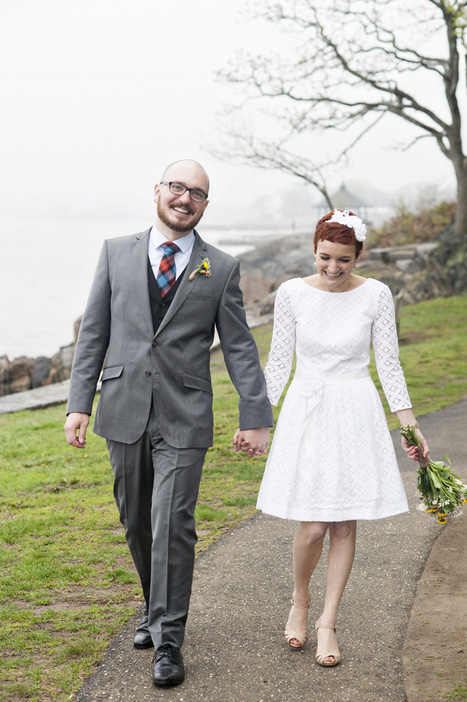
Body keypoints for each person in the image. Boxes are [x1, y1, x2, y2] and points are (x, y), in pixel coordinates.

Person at [64, 159, 272, 687]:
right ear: (157, 191)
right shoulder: (116, 252)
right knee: (137, 521)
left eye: (197, 193)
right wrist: (78, 403)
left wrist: (255, 415)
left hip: (185, 415)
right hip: (123, 408)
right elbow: (94, 332)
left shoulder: (219, 268)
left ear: (205, 205)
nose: (185, 198)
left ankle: (168, 640)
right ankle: (153, 608)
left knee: (172, 524)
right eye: (177, 187)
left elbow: (241, 350)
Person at [254, 209, 429, 667]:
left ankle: (328, 622)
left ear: (358, 256)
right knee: (312, 526)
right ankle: (300, 599)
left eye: (344, 261)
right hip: (307, 409)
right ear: (314, 251)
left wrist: (409, 425)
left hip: (355, 409)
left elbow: (389, 365)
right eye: (325, 258)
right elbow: (278, 363)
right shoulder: (291, 293)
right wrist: (257, 418)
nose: (333, 269)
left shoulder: (377, 294)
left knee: (343, 524)